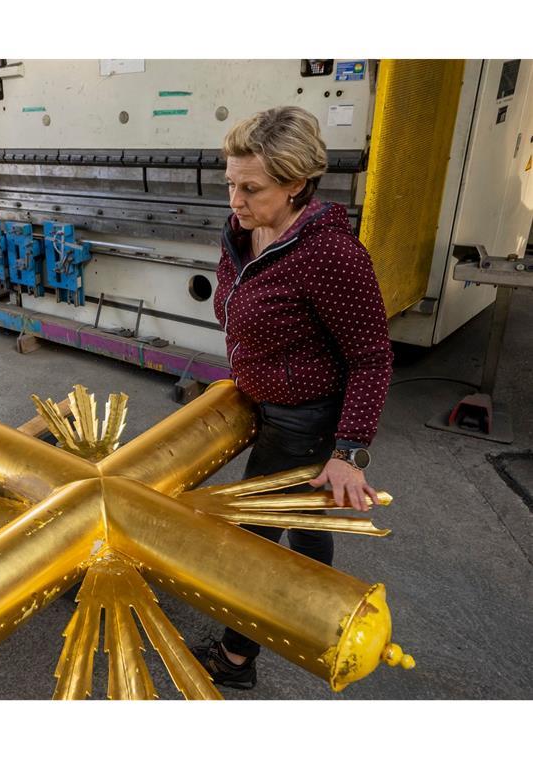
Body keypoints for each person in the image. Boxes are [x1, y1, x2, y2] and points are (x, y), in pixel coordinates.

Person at [190, 106, 394, 689]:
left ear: (297, 184)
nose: (235, 199)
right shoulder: (244, 231)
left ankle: (235, 658)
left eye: (251, 188)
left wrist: (349, 452)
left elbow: (372, 358)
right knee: (305, 523)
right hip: (265, 400)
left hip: (304, 419)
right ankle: (316, 621)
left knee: (253, 539)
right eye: (230, 182)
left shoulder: (330, 256)